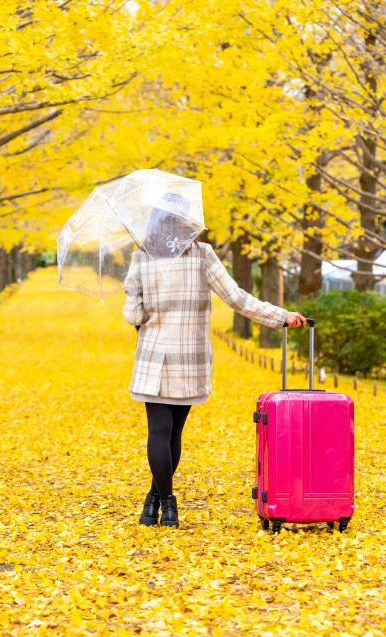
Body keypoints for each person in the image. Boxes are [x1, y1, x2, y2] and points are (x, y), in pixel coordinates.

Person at [123, 201, 306, 528]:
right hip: (189, 360)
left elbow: (133, 315)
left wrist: (140, 301)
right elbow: (237, 298)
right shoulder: (202, 255)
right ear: (183, 223)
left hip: (152, 357)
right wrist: (282, 317)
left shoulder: (140, 258)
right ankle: (161, 504)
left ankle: (160, 504)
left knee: (159, 432)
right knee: (174, 434)